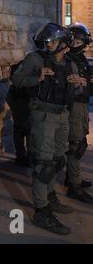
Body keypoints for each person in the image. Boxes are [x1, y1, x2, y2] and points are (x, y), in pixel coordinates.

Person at [11, 23, 86, 235]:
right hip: (42, 116)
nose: (49, 44)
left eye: (53, 41)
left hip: (63, 115)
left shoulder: (70, 63)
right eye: (48, 41)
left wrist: (79, 82)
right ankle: (41, 211)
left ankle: (50, 197)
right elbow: (16, 79)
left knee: (58, 160)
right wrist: (38, 77)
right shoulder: (36, 59)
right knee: (43, 164)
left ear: (63, 44)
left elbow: (74, 88)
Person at [65, 23, 93, 204]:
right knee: (76, 144)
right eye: (74, 39)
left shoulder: (80, 58)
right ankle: (73, 186)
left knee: (81, 141)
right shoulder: (67, 59)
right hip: (73, 105)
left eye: (80, 40)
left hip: (81, 104)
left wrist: (86, 82)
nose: (77, 43)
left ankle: (72, 177)